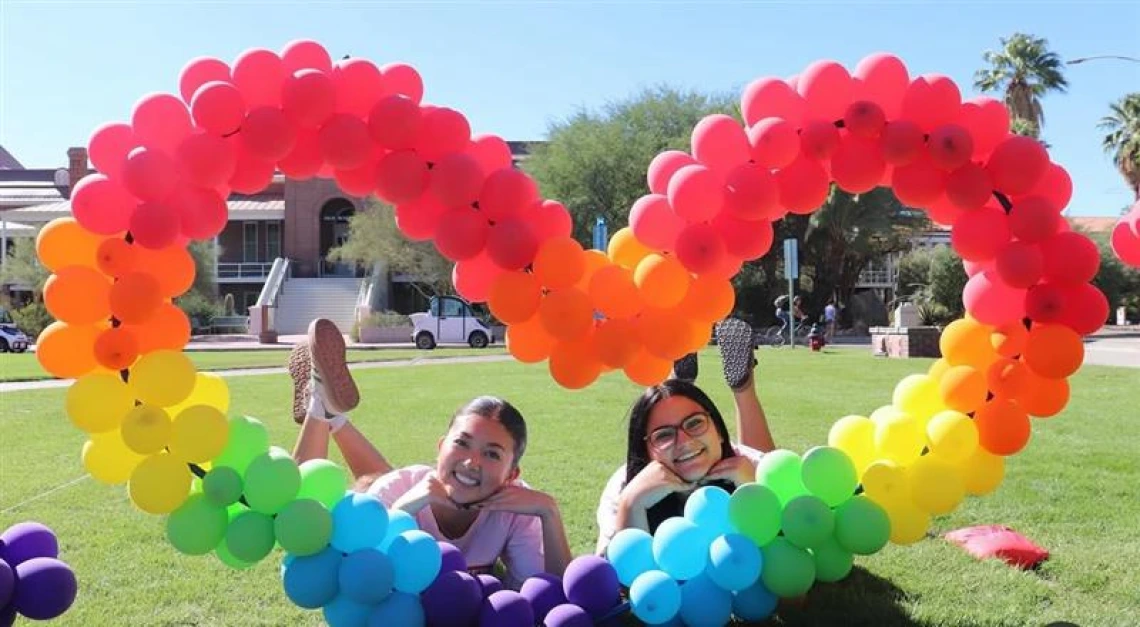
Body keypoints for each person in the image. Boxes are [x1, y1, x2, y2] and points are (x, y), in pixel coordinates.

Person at [288, 318, 573, 589]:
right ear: (440, 448)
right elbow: (354, 577)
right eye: (461, 443)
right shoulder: (400, 489)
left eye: (492, 454)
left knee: (376, 481)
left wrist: (549, 511)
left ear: (512, 475)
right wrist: (404, 509)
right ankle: (320, 406)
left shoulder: (518, 505)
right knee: (307, 523)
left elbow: (553, 595)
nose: (472, 461)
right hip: (384, 499)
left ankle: (330, 412)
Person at [595, 318, 778, 552]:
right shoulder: (624, 486)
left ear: (720, 431)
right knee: (671, 410)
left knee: (765, 465)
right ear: (646, 452)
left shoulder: (748, 464)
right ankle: (692, 387)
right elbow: (615, 582)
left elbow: (788, 561)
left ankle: (735, 387)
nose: (684, 439)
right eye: (663, 436)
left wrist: (752, 488)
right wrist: (631, 504)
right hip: (708, 451)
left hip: (738, 458)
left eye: (695, 423)